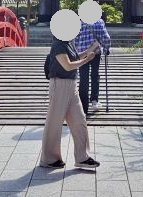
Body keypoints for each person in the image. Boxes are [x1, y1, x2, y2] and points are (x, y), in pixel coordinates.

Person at [40, 35, 101, 170]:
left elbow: (75, 58)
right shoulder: (58, 44)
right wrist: (87, 60)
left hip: (72, 86)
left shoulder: (69, 42)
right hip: (59, 84)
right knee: (54, 123)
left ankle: (82, 157)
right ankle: (49, 159)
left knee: (80, 120)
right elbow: (67, 65)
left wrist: (91, 48)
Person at [74, 17, 111, 115]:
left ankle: (82, 104)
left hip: (82, 53)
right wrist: (106, 48)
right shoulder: (99, 21)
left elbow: (75, 39)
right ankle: (94, 101)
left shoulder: (79, 22)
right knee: (95, 76)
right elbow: (105, 38)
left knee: (83, 78)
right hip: (95, 53)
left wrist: (75, 53)